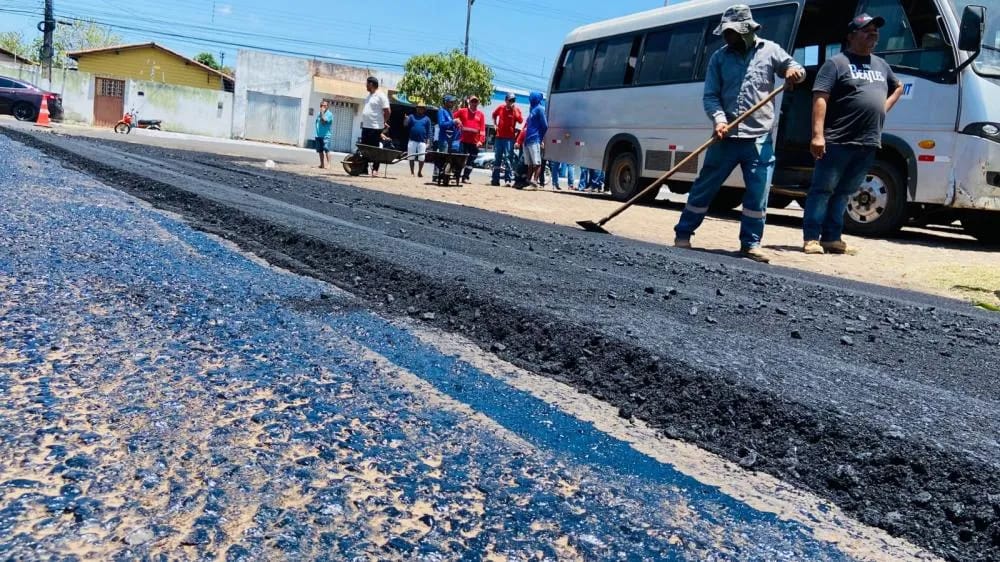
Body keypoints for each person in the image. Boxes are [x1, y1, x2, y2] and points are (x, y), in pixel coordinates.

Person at [672, 4, 805, 264]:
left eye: (730, 32)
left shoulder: (771, 51)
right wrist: (720, 120)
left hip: (759, 138)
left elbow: (795, 69)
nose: (725, 37)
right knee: (705, 187)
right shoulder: (719, 58)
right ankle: (683, 233)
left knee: (757, 193)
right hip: (726, 137)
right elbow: (711, 96)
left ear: (745, 31)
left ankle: (750, 244)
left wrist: (793, 74)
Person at [802, 14, 903, 255]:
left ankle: (832, 238)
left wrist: (881, 109)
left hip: (867, 142)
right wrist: (818, 135)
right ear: (851, 36)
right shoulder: (836, 63)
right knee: (823, 190)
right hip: (837, 140)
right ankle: (811, 238)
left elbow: (897, 86)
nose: (873, 34)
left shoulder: (881, 65)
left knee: (846, 192)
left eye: (875, 31)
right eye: (866, 30)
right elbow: (820, 98)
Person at [361, 76, 391, 177]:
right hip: (366, 126)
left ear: (371, 84)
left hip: (375, 127)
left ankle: (375, 169)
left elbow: (387, 111)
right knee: (364, 148)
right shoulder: (369, 95)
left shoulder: (381, 96)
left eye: (367, 84)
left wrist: (383, 121)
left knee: (375, 149)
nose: (366, 85)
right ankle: (364, 168)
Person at [491, 93, 523, 186]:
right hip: (499, 137)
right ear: (506, 100)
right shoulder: (501, 108)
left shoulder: (516, 110)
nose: (511, 102)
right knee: (497, 158)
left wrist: (515, 110)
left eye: (513, 100)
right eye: (510, 100)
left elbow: (520, 120)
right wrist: (494, 124)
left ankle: (508, 180)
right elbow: (494, 115)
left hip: (509, 138)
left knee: (508, 158)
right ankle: (495, 179)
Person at [454, 95, 486, 184]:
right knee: (460, 159)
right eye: (472, 101)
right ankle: (457, 175)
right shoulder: (462, 111)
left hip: (474, 142)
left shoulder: (481, 115)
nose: (474, 103)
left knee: (471, 161)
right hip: (463, 140)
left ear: (478, 103)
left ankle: (465, 177)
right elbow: (453, 118)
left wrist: (481, 140)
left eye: (476, 102)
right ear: (469, 102)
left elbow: (482, 129)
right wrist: (457, 123)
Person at [523, 91, 548, 188]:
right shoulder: (532, 109)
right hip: (528, 140)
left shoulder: (540, 109)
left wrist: (540, 138)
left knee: (537, 163)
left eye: (531, 97)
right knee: (530, 163)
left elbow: (545, 126)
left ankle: (535, 182)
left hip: (535, 139)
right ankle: (529, 182)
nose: (530, 99)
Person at [404, 103, 432, 177]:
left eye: (422, 108)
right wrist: (406, 120)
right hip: (412, 140)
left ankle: (419, 171)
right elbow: (405, 125)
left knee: (422, 157)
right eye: (418, 107)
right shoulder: (411, 116)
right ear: (416, 108)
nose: (420, 109)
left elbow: (429, 130)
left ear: (424, 109)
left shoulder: (427, 119)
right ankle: (412, 172)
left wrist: (428, 141)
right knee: (411, 157)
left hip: (422, 141)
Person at [434, 94, 458, 180]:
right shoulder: (441, 111)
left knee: (448, 159)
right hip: (443, 139)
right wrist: (453, 121)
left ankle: (445, 175)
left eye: (453, 102)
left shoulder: (450, 112)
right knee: (442, 158)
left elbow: (452, 125)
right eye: (450, 101)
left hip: (450, 139)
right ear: (446, 102)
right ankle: (438, 175)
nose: (452, 103)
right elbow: (441, 124)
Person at [314, 100, 334, 169]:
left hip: (326, 136)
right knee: (320, 151)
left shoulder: (329, 114)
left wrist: (322, 113)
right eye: (323, 106)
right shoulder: (318, 114)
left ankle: (329, 164)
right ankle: (322, 164)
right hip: (318, 135)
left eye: (325, 106)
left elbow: (324, 122)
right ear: (320, 106)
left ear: (327, 106)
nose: (324, 107)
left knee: (326, 149)